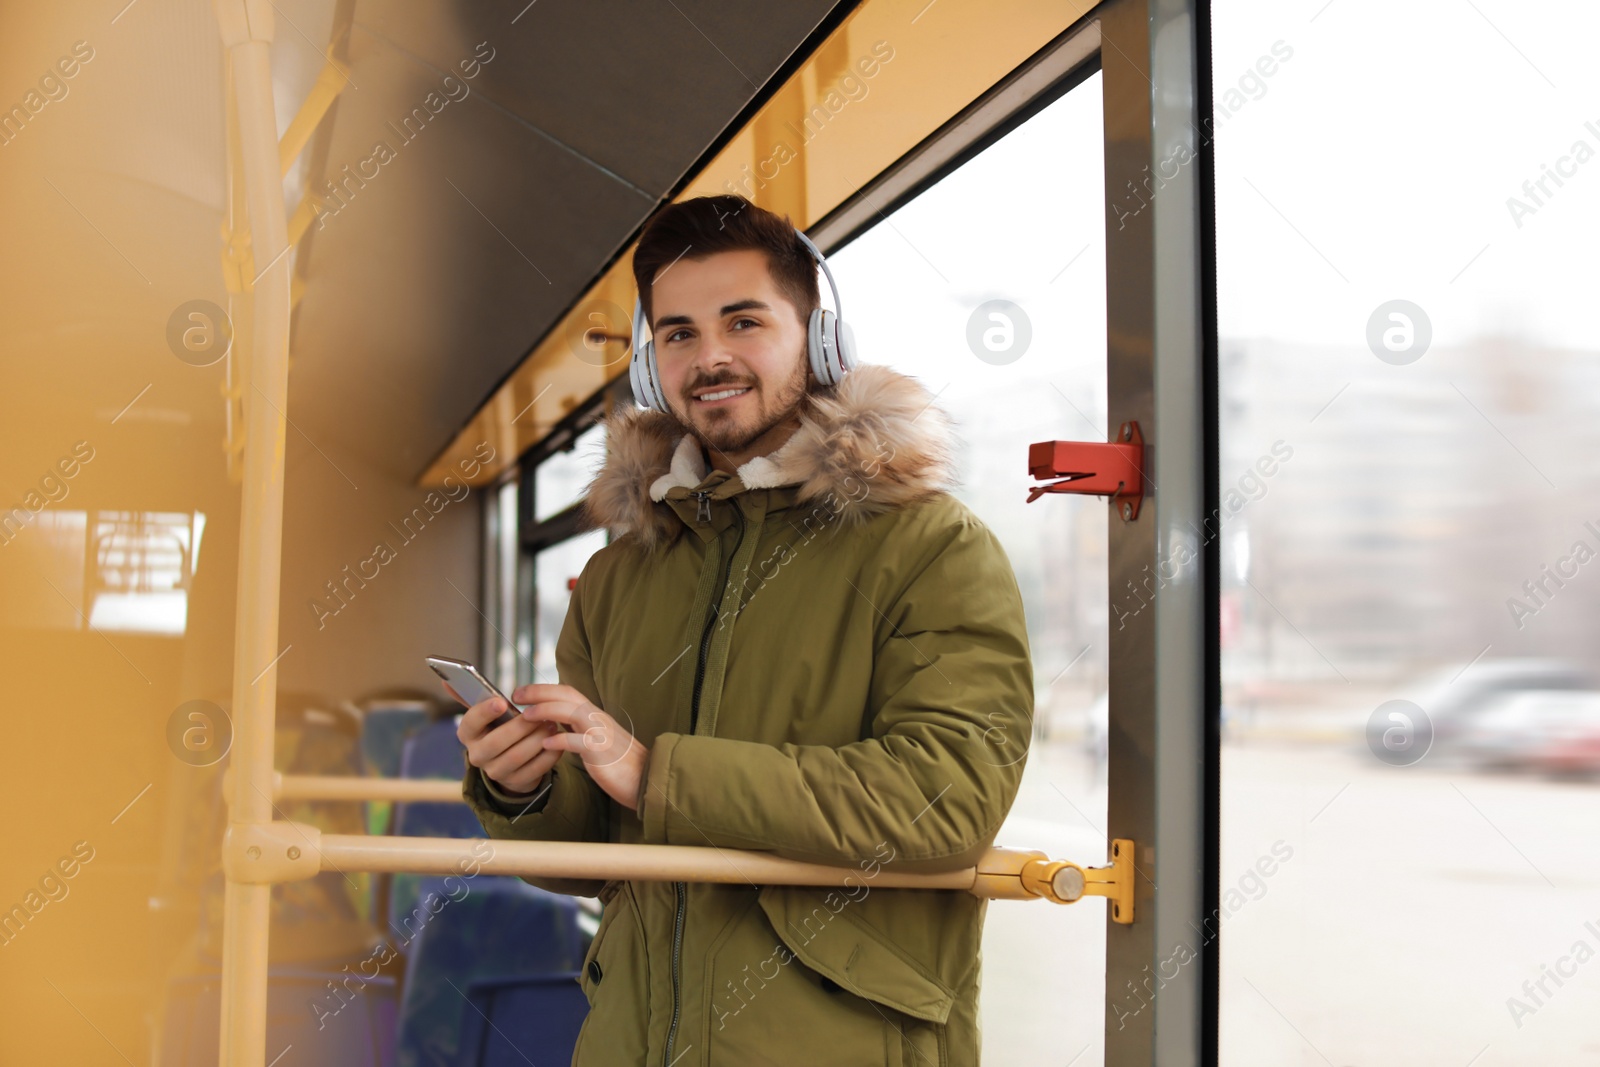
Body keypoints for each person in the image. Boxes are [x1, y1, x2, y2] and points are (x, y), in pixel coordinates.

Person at [455, 193, 1033, 1066]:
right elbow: (593, 857)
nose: (710, 355)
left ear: (820, 340)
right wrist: (523, 789)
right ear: (653, 365)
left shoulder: (932, 546)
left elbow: (946, 796)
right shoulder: (618, 577)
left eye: (743, 321)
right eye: (679, 332)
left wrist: (657, 773)